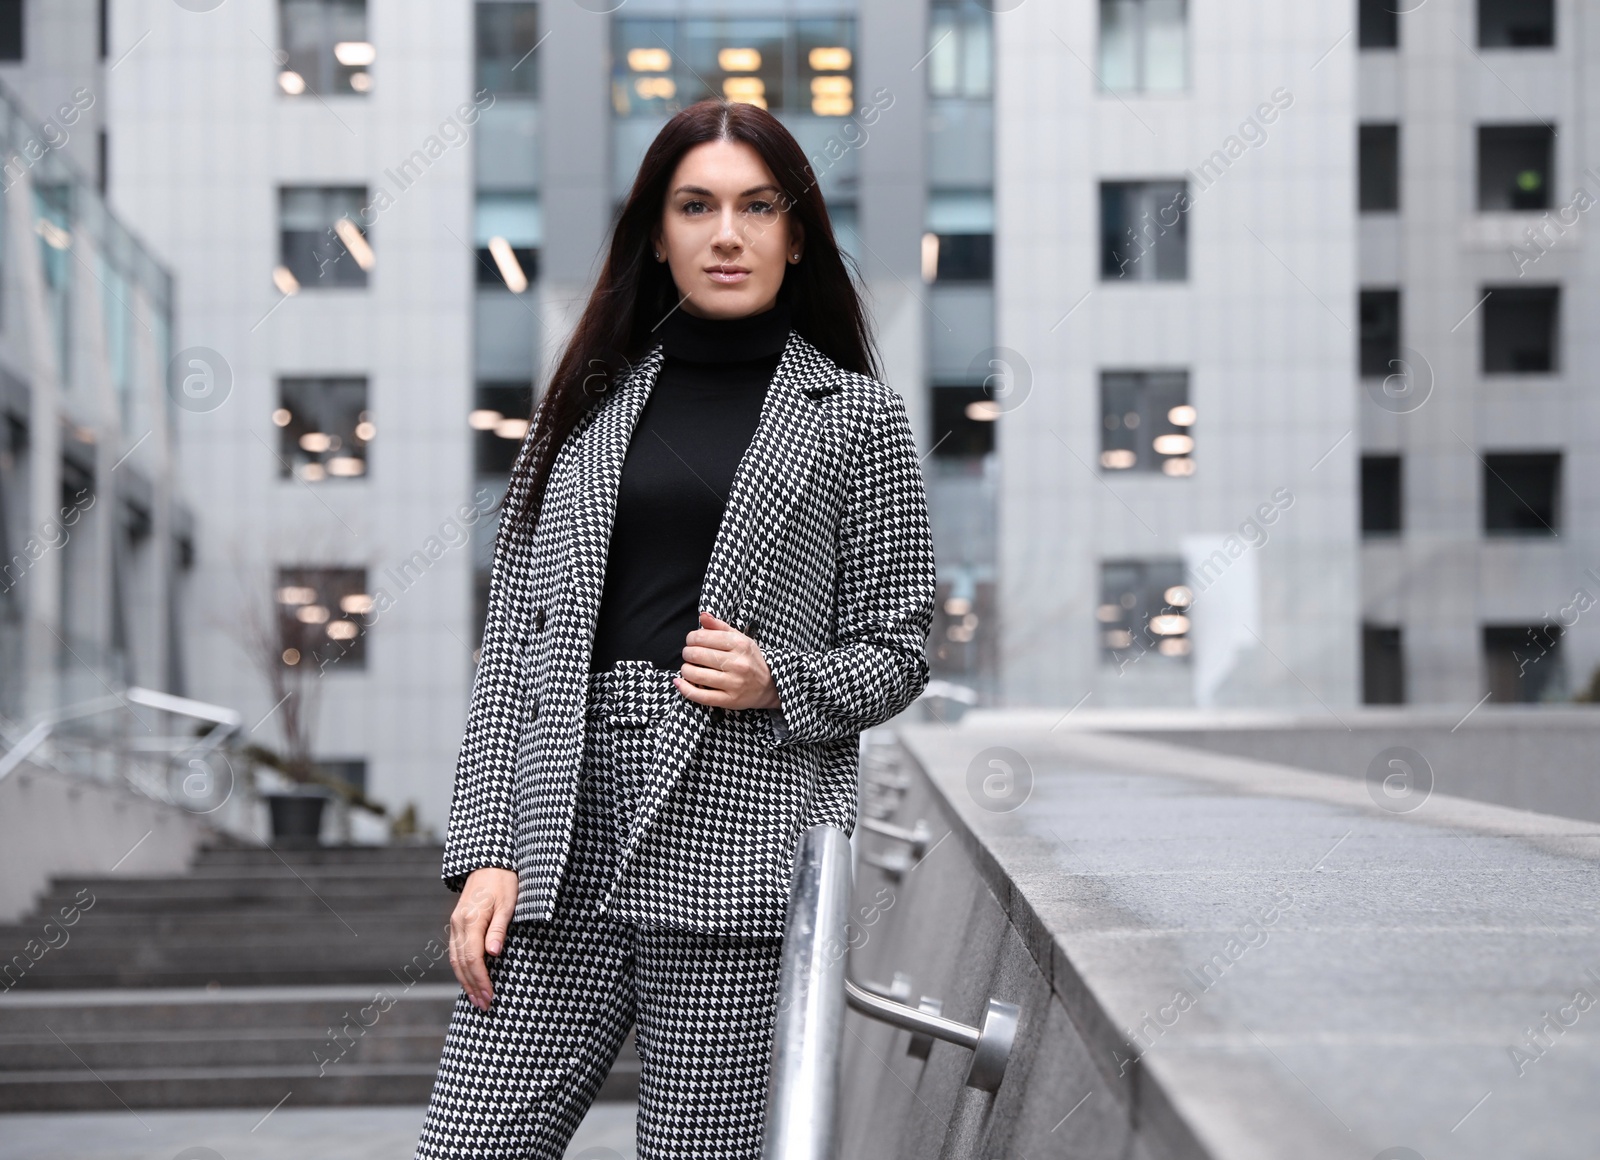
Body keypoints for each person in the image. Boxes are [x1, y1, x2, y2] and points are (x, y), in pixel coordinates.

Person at [413, 96, 936, 1160]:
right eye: (695, 205)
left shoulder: (856, 418)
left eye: (757, 207)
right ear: (657, 231)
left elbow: (901, 644)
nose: (726, 233)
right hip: (557, 842)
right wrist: (485, 851)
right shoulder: (581, 410)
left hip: (737, 846)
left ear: (796, 236)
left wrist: (779, 677)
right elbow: (512, 649)